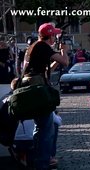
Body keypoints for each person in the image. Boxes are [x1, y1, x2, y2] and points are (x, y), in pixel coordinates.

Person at [22, 22, 69, 170]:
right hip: (38, 92)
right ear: (50, 36)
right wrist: (64, 51)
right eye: (54, 35)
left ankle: (40, 159)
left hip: (33, 89)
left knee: (44, 126)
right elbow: (65, 62)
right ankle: (42, 162)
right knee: (46, 129)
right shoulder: (43, 46)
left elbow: (47, 68)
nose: (55, 38)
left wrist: (56, 58)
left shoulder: (36, 46)